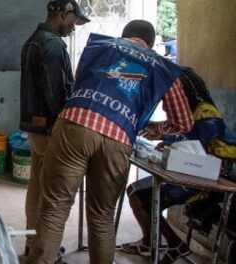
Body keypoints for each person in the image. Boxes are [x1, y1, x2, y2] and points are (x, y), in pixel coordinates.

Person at [29, 20, 194, 264]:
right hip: (118, 138)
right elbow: (184, 122)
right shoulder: (162, 67)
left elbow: (79, 84)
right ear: (149, 42)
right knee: (102, 215)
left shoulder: (101, 46)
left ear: (124, 36)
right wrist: (152, 128)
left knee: (55, 207)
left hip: (75, 125)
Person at [120, 66, 226, 264]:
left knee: (146, 199)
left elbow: (199, 145)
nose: (168, 105)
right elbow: (185, 139)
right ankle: (150, 242)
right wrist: (165, 140)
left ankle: (175, 244)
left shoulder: (206, 112)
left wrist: (168, 139)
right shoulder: (190, 113)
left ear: (184, 91)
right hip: (185, 171)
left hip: (200, 178)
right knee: (134, 192)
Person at [19, 0, 89, 255]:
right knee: (54, 193)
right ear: (62, 14)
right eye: (73, 21)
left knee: (36, 187)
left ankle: (32, 244)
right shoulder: (52, 45)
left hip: (34, 126)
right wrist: (63, 124)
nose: (73, 27)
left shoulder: (32, 41)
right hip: (50, 128)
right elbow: (55, 92)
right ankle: (44, 251)